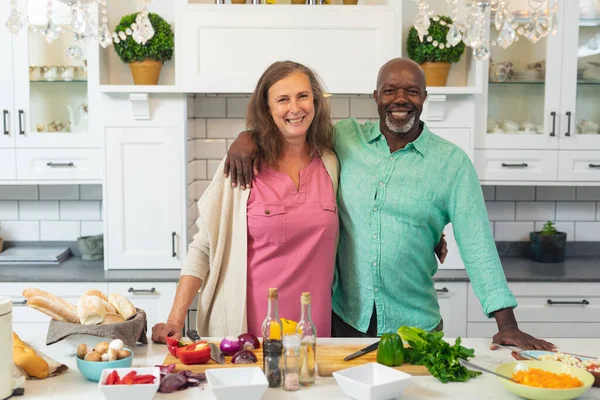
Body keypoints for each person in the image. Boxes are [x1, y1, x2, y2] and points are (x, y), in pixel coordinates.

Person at [224, 58, 555, 350]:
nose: (400, 99)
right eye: (390, 90)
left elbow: (478, 244)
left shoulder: (452, 164)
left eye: (411, 91)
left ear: (424, 98)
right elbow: (292, 128)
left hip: (415, 329)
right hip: (344, 324)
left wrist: (507, 325)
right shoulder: (344, 138)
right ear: (376, 97)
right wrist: (249, 136)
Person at [151, 61, 340, 341]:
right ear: (266, 109)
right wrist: (175, 320)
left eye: (302, 96)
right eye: (282, 100)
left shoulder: (330, 163)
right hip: (248, 333)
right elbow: (204, 246)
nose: (295, 108)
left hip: (314, 331)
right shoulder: (241, 165)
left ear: (315, 101)